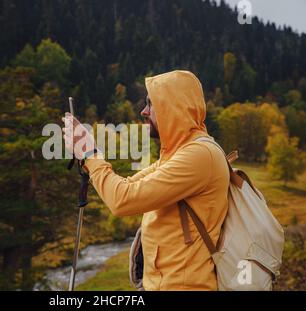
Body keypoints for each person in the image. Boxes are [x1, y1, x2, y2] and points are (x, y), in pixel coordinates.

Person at [62, 70, 229, 291]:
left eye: (151, 104)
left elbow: (122, 200)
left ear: (174, 108)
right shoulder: (178, 153)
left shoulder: (199, 155)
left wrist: (90, 154)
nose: (144, 111)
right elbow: (127, 186)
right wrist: (89, 159)